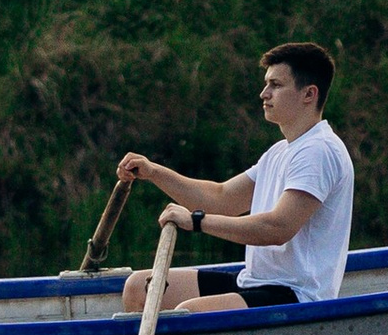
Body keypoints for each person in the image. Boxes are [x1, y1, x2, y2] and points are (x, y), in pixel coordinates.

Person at [114, 40, 355, 316]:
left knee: (190, 312)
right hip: (255, 282)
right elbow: (222, 198)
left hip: (297, 294)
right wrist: (154, 172)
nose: (264, 93)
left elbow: (278, 228)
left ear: (309, 94)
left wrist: (196, 221)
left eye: (276, 85)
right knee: (138, 287)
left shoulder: (319, 150)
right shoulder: (280, 151)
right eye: (266, 84)